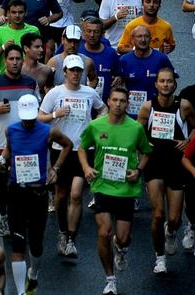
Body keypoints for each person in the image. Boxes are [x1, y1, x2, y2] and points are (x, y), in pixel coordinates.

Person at [79, 84, 152, 293]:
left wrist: (138, 170)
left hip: (126, 190)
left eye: (122, 101)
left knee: (122, 237)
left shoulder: (136, 128)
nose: (118, 105)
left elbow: (146, 152)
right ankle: (110, 279)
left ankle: (121, 248)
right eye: (115, 100)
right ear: (108, 102)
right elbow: (82, 148)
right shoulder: (96, 125)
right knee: (103, 232)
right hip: (102, 186)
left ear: (127, 104)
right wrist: (86, 168)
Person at [0, 95, 72, 295]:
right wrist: (2, 160)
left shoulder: (48, 132)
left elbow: (67, 145)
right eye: (25, 118)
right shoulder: (11, 131)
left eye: (32, 118)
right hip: (16, 192)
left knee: (36, 244)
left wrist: (56, 168)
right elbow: (8, 150)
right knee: (17, 244)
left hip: (38, 193)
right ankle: (22, 292)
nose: (28, 121)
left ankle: (33, 275)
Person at [38, 54, 105, 257]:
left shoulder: (89, 92)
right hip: (60, 149)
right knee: (61, 194)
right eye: (72, 70)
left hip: (83, 150)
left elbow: (103, 110)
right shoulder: (55, 93)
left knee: (76, 194)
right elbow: (40, 117)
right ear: (64, 72)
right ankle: (61, 230)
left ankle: (70, 238)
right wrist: (55, 115)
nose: (76, 74)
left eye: (79, 71)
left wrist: (96, 126)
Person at [0, 43, 38, 237]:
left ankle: (21, 217)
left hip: (25, 143)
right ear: (5, 61)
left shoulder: (30, 83)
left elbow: (38, 107)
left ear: (22, 60)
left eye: (18, 59)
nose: (14, 62)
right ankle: (4, 216)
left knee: (24, 183)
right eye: (11, 59)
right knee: (1, 183)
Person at [137, 67, 189, 272]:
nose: (166, 85)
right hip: (154, 164)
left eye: (169, 81)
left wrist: (188, 141)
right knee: (158, 214)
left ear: (174, 84)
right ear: (156, 84)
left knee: (174, 219)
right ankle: (159, 258)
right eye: (162, 81)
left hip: (176, 165)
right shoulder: (147, 108)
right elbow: (136, 132)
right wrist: (142, 150)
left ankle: (171, 231)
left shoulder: (183, 106)